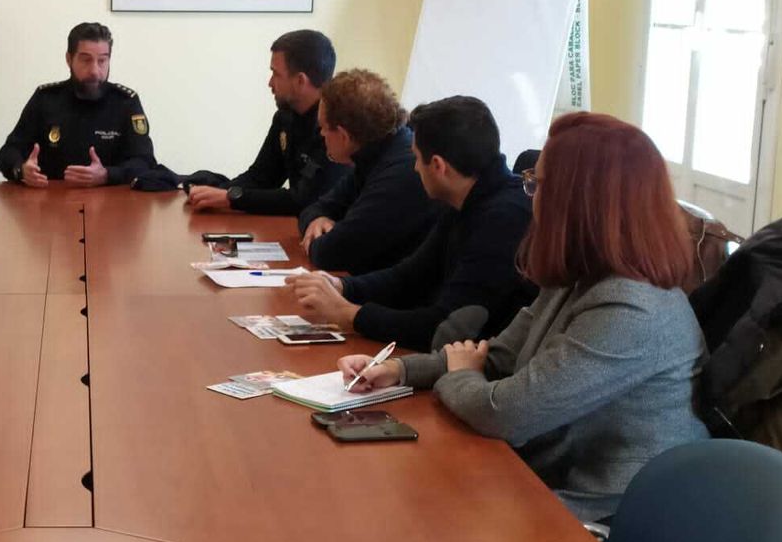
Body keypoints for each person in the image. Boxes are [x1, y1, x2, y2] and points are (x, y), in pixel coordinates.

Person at [337, 113, 709, 522]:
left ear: (582, 202)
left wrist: (460, 375)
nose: (530, 197)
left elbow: (507, 414)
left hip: (602, 523)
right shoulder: (579, 276)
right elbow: (497, 356)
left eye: (538, 185)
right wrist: (398, 369)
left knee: (407, 515)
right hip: (540, 484)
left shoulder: (631, 309)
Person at [288, 95, 532, 351]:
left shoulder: (504, 219)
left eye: (417, 158)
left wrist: (349, 314)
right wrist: (342, 286)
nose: (414, 168)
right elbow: (411, 276)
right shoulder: (464, 197)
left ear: (438, 166)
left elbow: (444, 328)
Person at [184, 29, 345, 216]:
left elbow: (304, 200)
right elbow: (261, 177)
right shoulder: (285, 117)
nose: (270, 83)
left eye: (276, 74)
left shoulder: (335, 127)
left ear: (300, 80)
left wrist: (231, 198)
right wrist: (212, 193)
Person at [297, 69, 440, 273]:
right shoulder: (374, 152)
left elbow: (332, 254)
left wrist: (317, 235)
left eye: (323, 128)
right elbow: (315, 208)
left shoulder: (400, 172)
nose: (321, 134)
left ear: (343, 136)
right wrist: (317, 219)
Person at [0, 21, 157, 187]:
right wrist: (22, 170)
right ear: (69, 59)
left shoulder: (126, 102)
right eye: (86, 60)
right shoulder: (45, 99)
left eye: (102, 61)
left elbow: (145, 161)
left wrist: (107, 175)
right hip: (52, 203)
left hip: (111, 203)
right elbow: (7, 153)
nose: (94, 71)